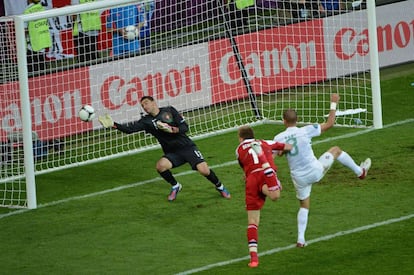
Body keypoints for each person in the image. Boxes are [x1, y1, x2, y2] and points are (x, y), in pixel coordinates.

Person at [273, 93, 372, 248]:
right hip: (315, 170)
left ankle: (300, 239)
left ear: (283, 121)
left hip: (298, 178)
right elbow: (330, 123)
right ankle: (360, 172)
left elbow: (273, 157)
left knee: (304, 206)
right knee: (336, 150)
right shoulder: (305, 130)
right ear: (296, 120)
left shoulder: (278, 138)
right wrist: (333, 103)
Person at [98, 96, 231, 201]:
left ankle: (220, 186)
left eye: (146, 103)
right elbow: (129, 130)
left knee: (204, 170)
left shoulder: (169, 110)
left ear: (154, 102)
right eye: (142, 105)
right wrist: (114, 124)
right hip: (172, 153)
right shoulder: (146, 121)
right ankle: (176, 186)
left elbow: (185, 128)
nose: (144, 107)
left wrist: (172, 129)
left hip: (187, 147)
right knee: (160, 166)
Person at [236, 125, 291, 268]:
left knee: (252, 222)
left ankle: (254, 258)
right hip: (265, 173)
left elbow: (244, 167)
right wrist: (276, 153)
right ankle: (267, 165)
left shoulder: (238, 150)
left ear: (240, 138)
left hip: (251, 180)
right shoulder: (265, 142)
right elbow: (288, 147)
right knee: (275, 194)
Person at [24, 0, 52, 73]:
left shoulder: (27, 11)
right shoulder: (43, 9)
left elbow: (24, 30)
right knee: (42, 74)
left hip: (32, 47)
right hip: (43, 45)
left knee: (32, 76)